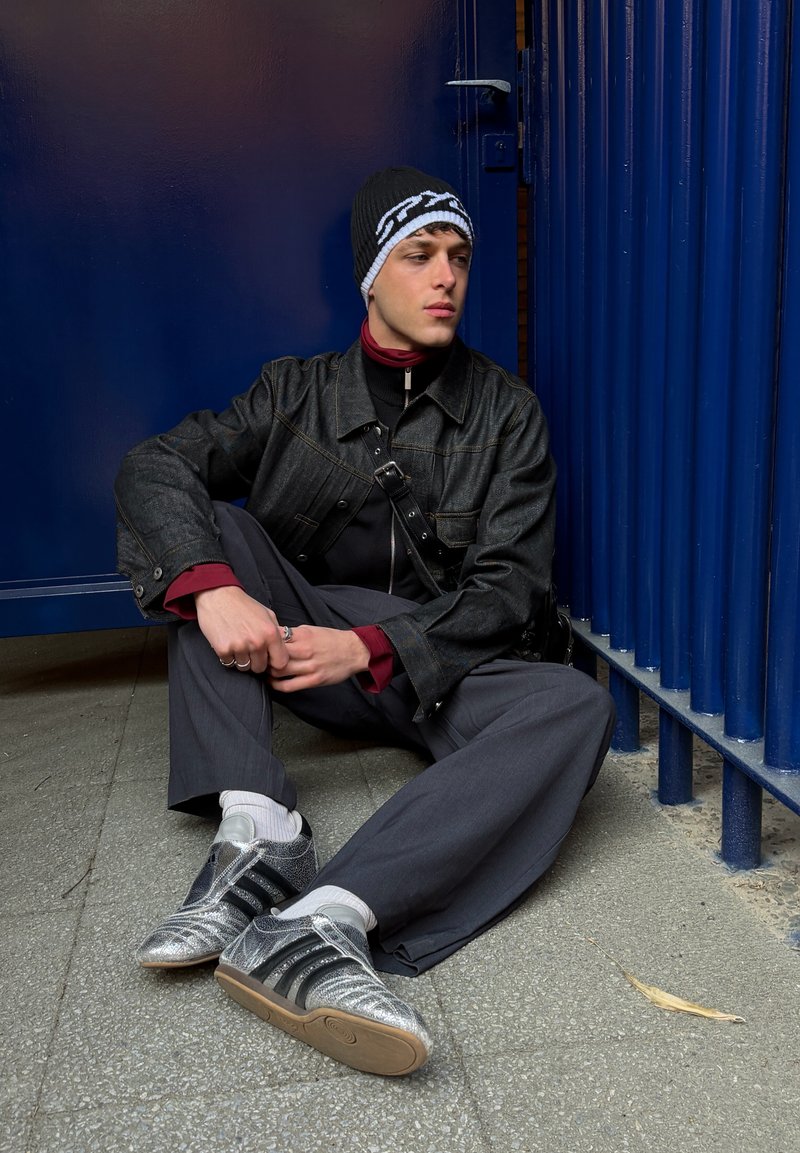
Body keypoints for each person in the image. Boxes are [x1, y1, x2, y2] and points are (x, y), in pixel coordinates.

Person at [115, 165, 615, 1077]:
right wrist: (213, 585)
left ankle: (321, 921)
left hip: (436, 667)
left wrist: (376, 645)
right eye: (419, 254)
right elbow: (154, 466)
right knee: (210, 538)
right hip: (302, 648)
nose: (446, 278)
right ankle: (260, 832)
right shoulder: (293, 392)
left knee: (577, 708)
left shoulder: (507, 416)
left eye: (459, 257)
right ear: (371, 275)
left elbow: (510, 589)